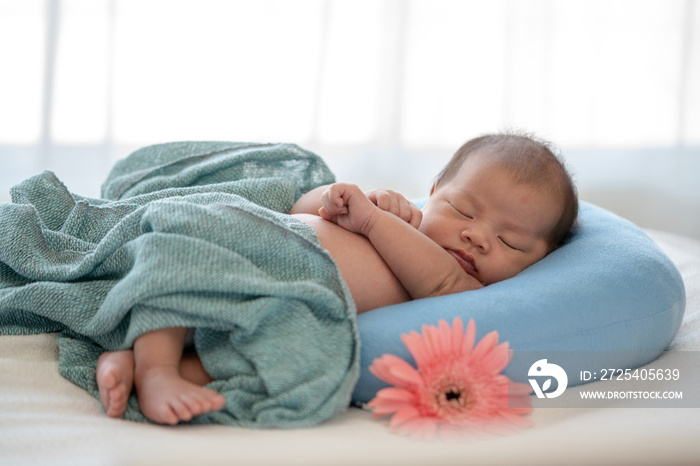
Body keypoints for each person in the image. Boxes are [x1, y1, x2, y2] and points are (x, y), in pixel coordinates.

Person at [96, 132, 578, 425]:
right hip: (261, 244)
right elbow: (300, 206)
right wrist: (344, 201)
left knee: (268, 353)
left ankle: (149, 367)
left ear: (545, 258)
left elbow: (440, 287)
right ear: (433, 192)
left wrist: (373, 223)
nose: (476, 237)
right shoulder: (404, 215)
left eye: (511, 243)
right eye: (462, 210)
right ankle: (155, 364)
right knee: (187, 250)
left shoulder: (463, 287)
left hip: (290, 303)